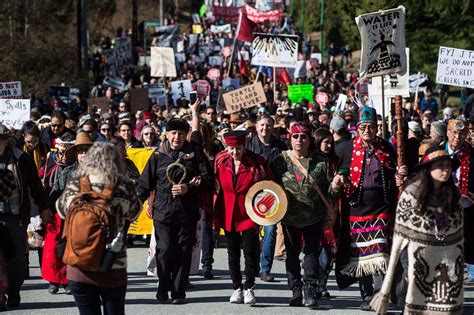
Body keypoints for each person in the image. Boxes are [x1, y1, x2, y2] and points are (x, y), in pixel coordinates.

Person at [371, 146, 464, 314]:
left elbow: (457, 239)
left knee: (447, 309)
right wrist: (408, 269)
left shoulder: (454, 196)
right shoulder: (411, 195)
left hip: (449, 266)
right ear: (428, 169)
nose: (446, 170)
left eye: (448, 166)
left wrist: (456, 266)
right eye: (441, 166)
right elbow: (402, 237)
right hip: (420, 265)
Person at [136, 100, 212, 304]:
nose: (176, 137)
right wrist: (133, 204)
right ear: (166, 134)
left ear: (185, 134)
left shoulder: (195, 155)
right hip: (163, 213)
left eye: (180, 133)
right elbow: (144, 184)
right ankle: (163, 286)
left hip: (187, 213)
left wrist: (191, 186)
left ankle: (178, 292)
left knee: (183, 252)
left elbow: (209, 180)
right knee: (165, 251)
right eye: (173, 133)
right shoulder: (158, 156)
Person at [56, 142, 141, 315]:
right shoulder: (123, 187)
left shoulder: (76, 184)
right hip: (112, 265)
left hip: (79, 263)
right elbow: (135, 213)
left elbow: (61, 210)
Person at [335, 107, 398, 311]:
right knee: (360, 255)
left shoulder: (387, 148)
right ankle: (366, 293)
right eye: (363, 127)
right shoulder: (347, 149)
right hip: (356, 207)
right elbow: (338, 169)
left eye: (371, 127)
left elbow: (396, 173)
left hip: (381, 206)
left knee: (379, 252)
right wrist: (339, 179)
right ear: (357, 128)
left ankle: (380, 295)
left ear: (377, 128)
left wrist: (400, 175)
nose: (367, 131)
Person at [275, 123, 343, 307]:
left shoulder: (321, 160)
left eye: (303, 136)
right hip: (289, 217)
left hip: (314, 216)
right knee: (291, 254)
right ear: (290, 138)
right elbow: (270, 188)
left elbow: (330, 191)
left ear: (309, 139)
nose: (299, 140)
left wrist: (336, 185)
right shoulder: (280, 160)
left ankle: (310, 290)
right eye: (295, 136)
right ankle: (296, 290)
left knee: (311, 254)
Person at [213, 130, 272, 305]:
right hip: (228, 212)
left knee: (250, 253)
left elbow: (267, 186)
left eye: (238, 148)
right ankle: (236, 287)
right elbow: (215, 185)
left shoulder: (257, 163)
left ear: (243, 146)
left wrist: (264, 212)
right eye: (231, 148)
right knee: (232, 253)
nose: (234, 151)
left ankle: (249, 287)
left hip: (250, 214)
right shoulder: (220, 162)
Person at [0, 123, 50, 309]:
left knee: (16, 260)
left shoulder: (21, 159)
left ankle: (13, 291)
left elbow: (36, 186)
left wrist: (44, 209)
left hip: (14, 217)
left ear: (5, 140)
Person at [42, 132, 93, 295]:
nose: (84, 154)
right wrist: (48, 208)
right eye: (81, 151)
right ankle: (54, 280)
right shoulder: (68, 171)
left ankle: (70, 281)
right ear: (76, 154)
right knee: (55, 247)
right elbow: (56, 192)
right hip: (66, 214)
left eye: (87, 151)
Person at [245, 114, 287, 282]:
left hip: (272, 195)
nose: (265, 128)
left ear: (273, 126)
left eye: (268, 125)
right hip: (251, 194)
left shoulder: (281, 146)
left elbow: (285, 171)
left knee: (270, 232)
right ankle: (253, 266)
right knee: (251, 233)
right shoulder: (248, 145)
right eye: (262, 125)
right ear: (256, 127)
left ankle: (265, 269)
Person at [443, 120, 474, 283]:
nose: (457, 136)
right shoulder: (436, 152)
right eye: (454, 132)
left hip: (466, 210)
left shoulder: (471, 154)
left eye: (461, 133)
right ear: (447, 132)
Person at [313, 128, 339, 299]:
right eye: (325, 142)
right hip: (315, 213)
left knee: (330, 253)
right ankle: (315, 283)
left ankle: (321, 283)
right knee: (319, 252)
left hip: (332, 212)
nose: (329, 145)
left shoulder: (336, 160)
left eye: (331, 142)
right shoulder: (312, 161)